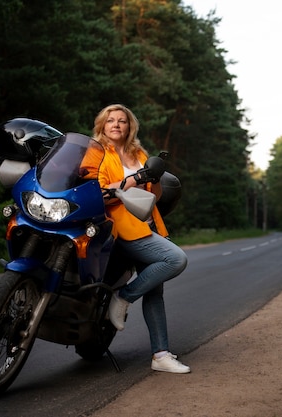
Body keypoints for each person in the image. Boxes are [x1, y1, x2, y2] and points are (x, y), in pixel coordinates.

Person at [93, 104, 190, 374]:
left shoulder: (138, 153)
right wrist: (135, 178)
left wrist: (154, 175)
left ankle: (160, 355)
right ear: (102, 125)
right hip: (119, 227)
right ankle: (123, 297)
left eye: (122, 121)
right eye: (110, 120)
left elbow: (154, 197)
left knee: (155, 289)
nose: (116, 125)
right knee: (176, 259)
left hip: (147, 225)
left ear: (129, 126)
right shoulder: (97, 152)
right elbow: (99, 191)